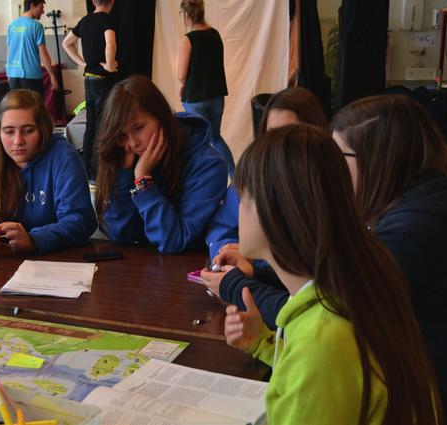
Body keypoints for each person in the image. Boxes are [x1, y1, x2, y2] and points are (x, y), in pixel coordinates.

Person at [214, 95, 447, 424]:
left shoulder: (406, 241)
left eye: (336, 156)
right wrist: (264, 338)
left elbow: (324, 338)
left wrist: (238, 285)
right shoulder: (425, 215)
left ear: (378, 161)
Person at [228, 124, 442, 424]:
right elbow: (331, 381)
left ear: (272, 210)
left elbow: (323, 364)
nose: (237, 209)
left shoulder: (323, 339)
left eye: (243, 197)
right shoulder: (358, 276)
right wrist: (262, 342)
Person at [203, 86, 327, 307]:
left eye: (288, 135)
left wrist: (256, 262)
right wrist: (227, 251)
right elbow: (222, 226)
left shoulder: (322, 191)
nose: (276, 146)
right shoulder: (254, 175)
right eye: (270, 134)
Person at [0, 90, 96, 255]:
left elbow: (81, 221)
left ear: (42, 129)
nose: (18, 141)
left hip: (53, 260)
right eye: (9, 131)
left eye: (28, 130)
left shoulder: (63, 157)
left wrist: (34, 240)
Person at [95, 75, 227, 254]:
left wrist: (143, 182)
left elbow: (175, 241)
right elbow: (120, 234)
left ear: (162, 116)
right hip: (146, 270)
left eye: (138, 128)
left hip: (189, 271)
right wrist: (126, 174)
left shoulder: (208, 165)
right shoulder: (126, 156)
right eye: (122, 136)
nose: (133, 143)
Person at [175, 0, 232, 176]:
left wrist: (182, 85)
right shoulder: (215, 34)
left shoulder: (188, 39)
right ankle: (236, 178)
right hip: (216, 96)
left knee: (198, 142)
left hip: (195, 97)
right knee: (215, 137)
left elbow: (181, 75)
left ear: (186, 15)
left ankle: (202, 181)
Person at [63, 0, 118, 178]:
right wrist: (109, 65)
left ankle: (86, 168)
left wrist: (84, 64)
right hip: (103, 81)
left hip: (88, 80)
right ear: (112, 1)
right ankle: (98, 171)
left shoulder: (85, 21)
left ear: (93, 2)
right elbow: (110, 43)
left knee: (91, 125)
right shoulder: (108, 20)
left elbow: (67, 43)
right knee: (103, 126)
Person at [5, 0, 58, 98]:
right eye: (41, 7)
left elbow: (9, 52)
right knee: (34, 110)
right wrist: (52, 75)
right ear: (32, 6)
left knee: (18, 109)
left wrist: (9, 74)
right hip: (31, 77)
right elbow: (43, 54)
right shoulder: (36, 26)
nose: (43, 11)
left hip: (13, 76)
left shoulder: (11, 26)